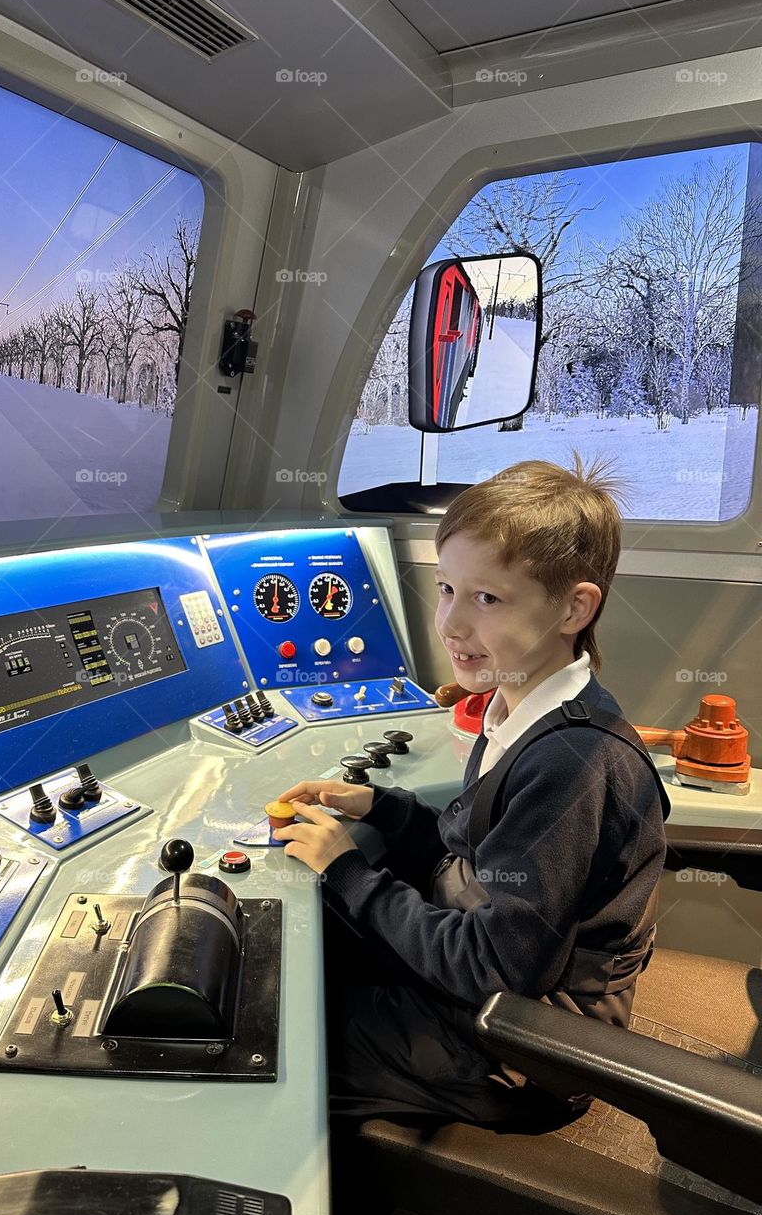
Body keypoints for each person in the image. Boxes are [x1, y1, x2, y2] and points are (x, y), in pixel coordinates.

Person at [273, 455, 669, 1124]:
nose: (451, 624)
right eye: (447, 587)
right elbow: (479, 859)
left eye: (487, 598)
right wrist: (385, 812)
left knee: (284, 1045)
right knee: (307, 961)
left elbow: (493, 967)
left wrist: (346, 869)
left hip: (525, 1049)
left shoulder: (572, 764)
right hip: (489, 990)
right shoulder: (518, 705)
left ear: (574, 607)